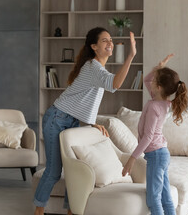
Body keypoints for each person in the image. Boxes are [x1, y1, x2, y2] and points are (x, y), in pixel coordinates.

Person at [34, 27, 137, 215]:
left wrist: (90, 122)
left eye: (111, 40)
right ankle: (39, 210)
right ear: (94, 46)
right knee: (54, 170)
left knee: (73, 171)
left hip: (71, 120)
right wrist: (130, 56)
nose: (110, 43)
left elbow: (86, 101)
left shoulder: (96, 68)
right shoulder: (93, 67)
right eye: (105, 40)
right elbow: (115, 84)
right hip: (57, 119)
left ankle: (72, 210)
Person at [122, 54, 188, 215]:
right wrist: (158, 68)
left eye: (154, 80)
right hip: (161, 154)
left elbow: (148, 137)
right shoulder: (162, 101)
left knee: (153, 199)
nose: (149, 81)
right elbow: (146, 80)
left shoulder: (154, 106)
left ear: (158, 87)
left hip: (156, 155)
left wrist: (132, 158)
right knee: (165, 198)